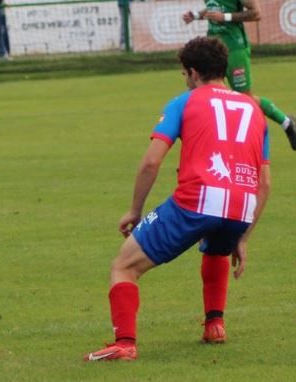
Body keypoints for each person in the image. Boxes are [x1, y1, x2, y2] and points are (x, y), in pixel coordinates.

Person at [84, 36, 270, 361]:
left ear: (194, 73)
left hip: (198, 200)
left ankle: (125, 343)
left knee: (123, 267)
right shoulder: (254, 109)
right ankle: (215, 324)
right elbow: (264, 183)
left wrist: (134, 210)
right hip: (241, 205)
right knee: (217, 247)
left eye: (184, 74)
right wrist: (244, 235)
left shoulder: (184, 102)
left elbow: (151, 162)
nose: (185, 81)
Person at [183, 0, 296, 150]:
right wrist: (196, 15)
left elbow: (256, 13)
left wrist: (226, 17)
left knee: (245, 98)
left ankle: (286, 123)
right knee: (199, 90)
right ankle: (201, 144)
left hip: (235, 48)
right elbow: (214, 7)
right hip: (212, 48)